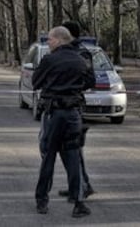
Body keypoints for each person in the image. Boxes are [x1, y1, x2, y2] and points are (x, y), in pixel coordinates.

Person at [32, 26, 96, 218]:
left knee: (48, 157)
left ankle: (42, 200)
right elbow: (90, 82)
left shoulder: (49, 60)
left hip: (54, 114)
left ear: (60, 40)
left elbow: (36, 82)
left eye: (50, 39)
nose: (48, 42)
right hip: (74, 114)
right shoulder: (80, 59)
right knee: (73, 157)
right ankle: (79, 202)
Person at [56, 20, 95, 202]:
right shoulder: (66, 52)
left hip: (75, 105)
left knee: (74, 148)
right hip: (64, 104)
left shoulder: (82, 54)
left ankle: (81, 187)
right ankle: (79, 184)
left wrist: (71, 84)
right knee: (68, 148)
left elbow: (90, 80)